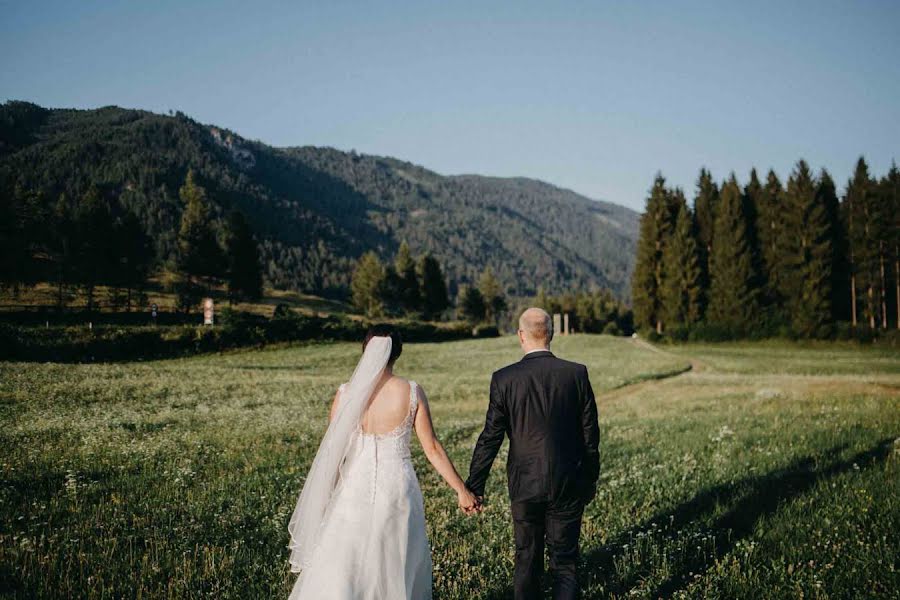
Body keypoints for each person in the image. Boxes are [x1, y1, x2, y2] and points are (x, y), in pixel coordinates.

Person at [287, 324, 478, 599]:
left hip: (353, 487)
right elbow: (432, 448)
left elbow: (333, 452)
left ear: (366, 350)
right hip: (397, 489)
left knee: (346, 561)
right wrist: (462, 490)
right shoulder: (411, 391)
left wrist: (326, 495)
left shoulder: (345, 393)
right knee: (394, 560)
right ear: (397, 353)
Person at [466, 307, 600, 600]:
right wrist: (589, 480)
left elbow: (491, 437)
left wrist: (474, 486)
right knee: (565, 563)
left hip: (524, 483)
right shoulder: (576, 374)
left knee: (526, 559)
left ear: (521, 336)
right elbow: (591, 435)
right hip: (568, 481)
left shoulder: (504, 379)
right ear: (550, 334)